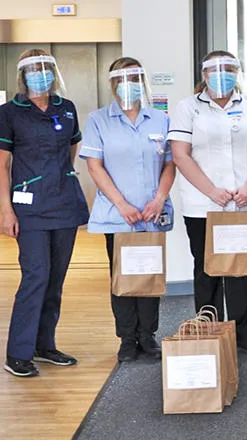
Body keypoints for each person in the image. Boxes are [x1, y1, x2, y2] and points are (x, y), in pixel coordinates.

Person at [168, 50, 247, 356]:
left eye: (229, 68)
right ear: (203, 74)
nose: (222, 74)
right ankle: (209, 329)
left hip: (243, 203)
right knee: (207, 270)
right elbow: (180, 155)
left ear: (237, 73)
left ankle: (241, 335)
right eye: (215, 69)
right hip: (203, 204)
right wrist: (212, 190)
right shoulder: (187, 108)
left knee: (240, 270)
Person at [0, 49, 89, 377]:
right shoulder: (9, 112)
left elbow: (72, 148)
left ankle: (44, 344)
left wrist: (58, 176)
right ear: (23, 76)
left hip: (64, 203)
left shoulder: (66, 108)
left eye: (46, 69)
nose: (41, 75)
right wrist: (5, 210)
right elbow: (2, 165)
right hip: (29, 209)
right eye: (34, 70)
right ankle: (18, 353)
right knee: (36, 275)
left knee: (55, 279)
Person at [80, 57, 174, 362]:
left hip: (151, 212)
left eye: (134, 79)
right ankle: (127, 338)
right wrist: (121, 204)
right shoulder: (98, 120)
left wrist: (159, 198)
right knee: (121, 277)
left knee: (148, 275)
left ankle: (148, 336)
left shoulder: (160, 119)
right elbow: (94, 165)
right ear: (113, 84)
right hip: (117, 214)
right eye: (122, 80)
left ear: (142, 82)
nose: (128, 86)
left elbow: (170, 164)